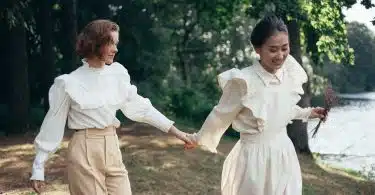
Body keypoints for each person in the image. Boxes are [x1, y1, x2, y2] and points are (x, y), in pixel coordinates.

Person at [29, 19, 194, 195]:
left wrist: (179, 133)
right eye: (110, 43)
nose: (115, 49)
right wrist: (38, 168)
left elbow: (142, 109)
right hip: (84, 149)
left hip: (112, 146)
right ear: (95, 44)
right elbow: (53, 123)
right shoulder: (69, 82)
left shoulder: (117, 74)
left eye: (116, 43)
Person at [184, 14, 325, 195]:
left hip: (283, 154)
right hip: (254, 159)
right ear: (258, 49)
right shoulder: (244, 81)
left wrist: (309, 113)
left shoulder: (288, 74)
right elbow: (220, 115)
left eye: (285, 48)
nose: (280, 55)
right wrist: (198, 139)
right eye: (273, 49)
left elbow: (281, 110)